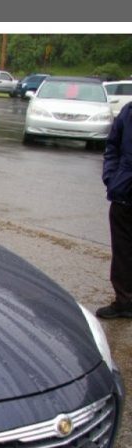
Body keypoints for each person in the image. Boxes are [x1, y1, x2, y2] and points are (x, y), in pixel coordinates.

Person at [98, 101, 132, 319]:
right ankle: (125, 301)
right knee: (122, 252)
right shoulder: (128, 112)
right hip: (124, 195)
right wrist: (112, 178)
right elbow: (112, 147)